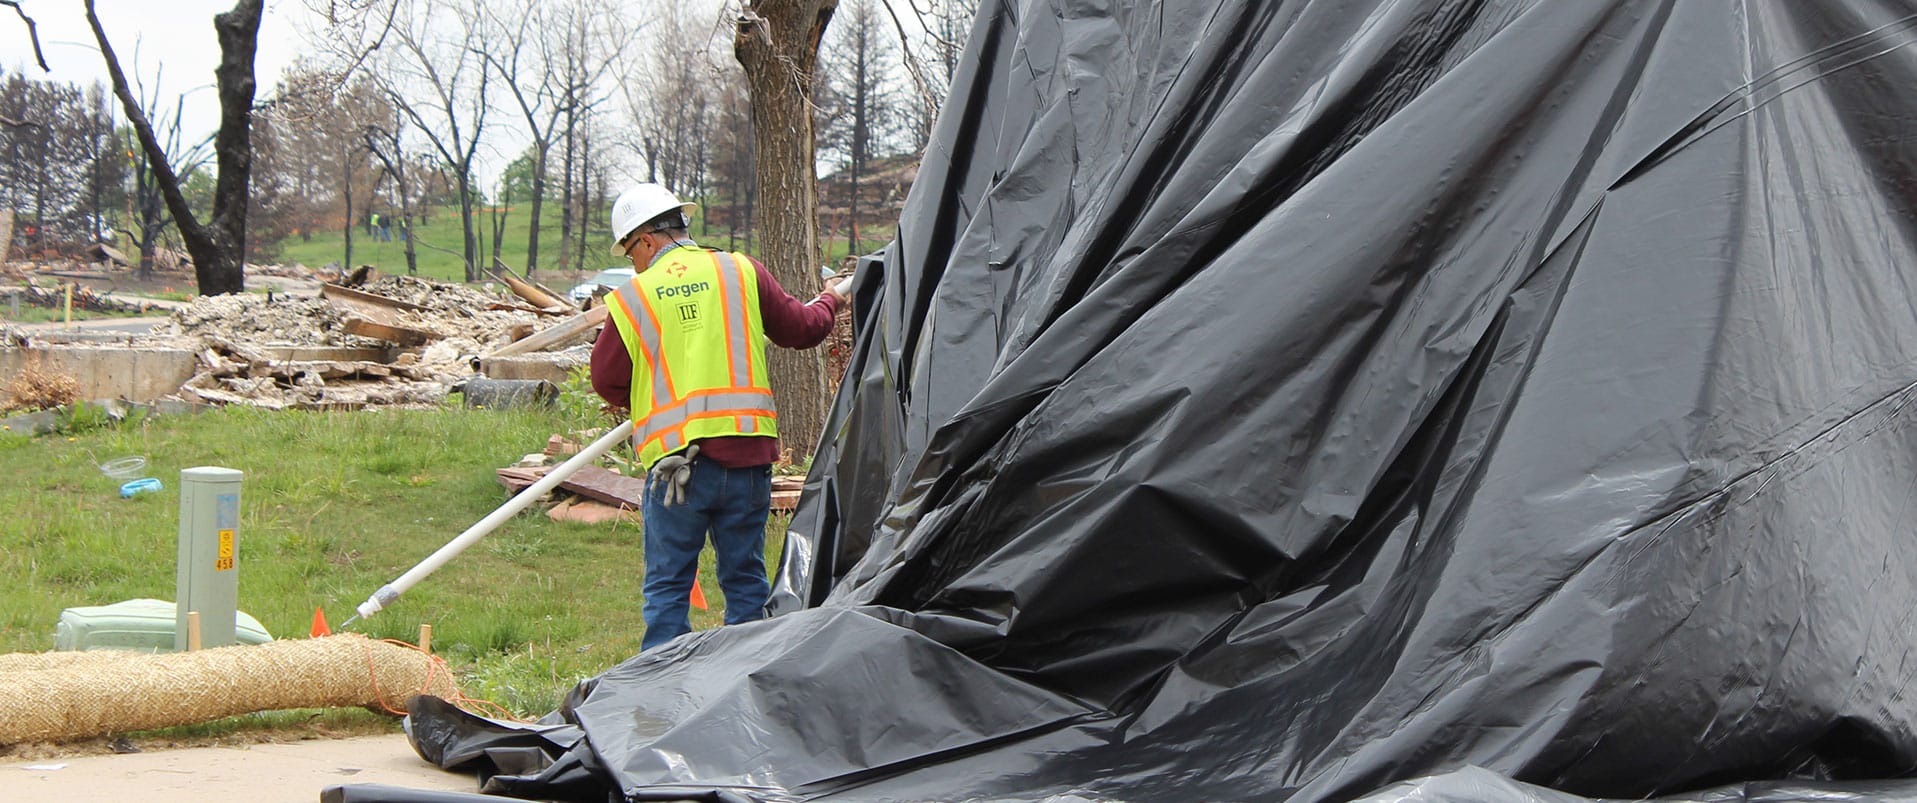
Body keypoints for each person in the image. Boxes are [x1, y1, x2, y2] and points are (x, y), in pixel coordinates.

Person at [589, 182, 851, 650]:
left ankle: (661, 692)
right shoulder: (739, 271)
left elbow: (607, 381)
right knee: (745, 583)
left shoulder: (634, 298)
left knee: (668, 588)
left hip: (677, 469)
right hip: (748, 458)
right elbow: (803, 328)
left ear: (646, 240)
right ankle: (741, 690)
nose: (633, 262)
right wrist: (831, 299)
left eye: (630, 251)